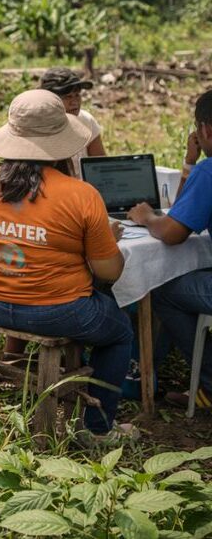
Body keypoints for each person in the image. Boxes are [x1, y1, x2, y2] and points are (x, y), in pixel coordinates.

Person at [0, 89, 133, 439]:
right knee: (119, 332)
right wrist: (105, 241)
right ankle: (96, 430)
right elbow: (109, 271)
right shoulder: (81, 195)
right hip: (57, 312)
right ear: (62, 141)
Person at [128, 90, 212, 410]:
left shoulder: (209, 172)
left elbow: (174, 232)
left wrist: (147, 216)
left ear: (204, 130)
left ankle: (209, 384)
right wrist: (190, 163)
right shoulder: (203, 172)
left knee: (162, 289)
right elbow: (184, 210)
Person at [40, 67, 106, 178]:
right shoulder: (37, 127)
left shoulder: (86, 120)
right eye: (67, 97)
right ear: (50, 100)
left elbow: (101, 166)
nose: (74, 102)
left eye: (77, 95)